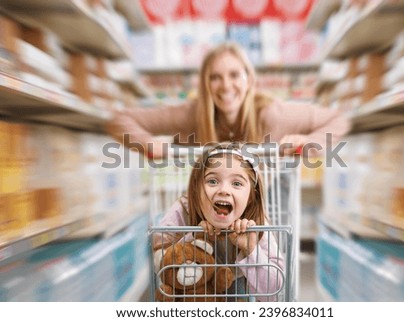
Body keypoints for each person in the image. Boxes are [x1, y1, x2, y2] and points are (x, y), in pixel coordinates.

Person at [105, 42, 350, 159]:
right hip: (211, 210)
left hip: (266, 208)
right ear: (205, 84)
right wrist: (148, 144)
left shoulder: (271, 115)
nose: (225, 86)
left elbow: (338, 121)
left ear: (249, 79)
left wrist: (308, 142)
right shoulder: (192, 115)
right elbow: (120, 120)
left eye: (234, 75)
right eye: (215, 77)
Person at [152, 143, 285, 301]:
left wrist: (251, 250)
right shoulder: (183, 210)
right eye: (212, 181)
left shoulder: (256, 226)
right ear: (196, 189)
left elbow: (274, 291)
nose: (224, 190)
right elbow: (159, 263)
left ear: (250, 197)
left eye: (236, 183)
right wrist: (192, 239)